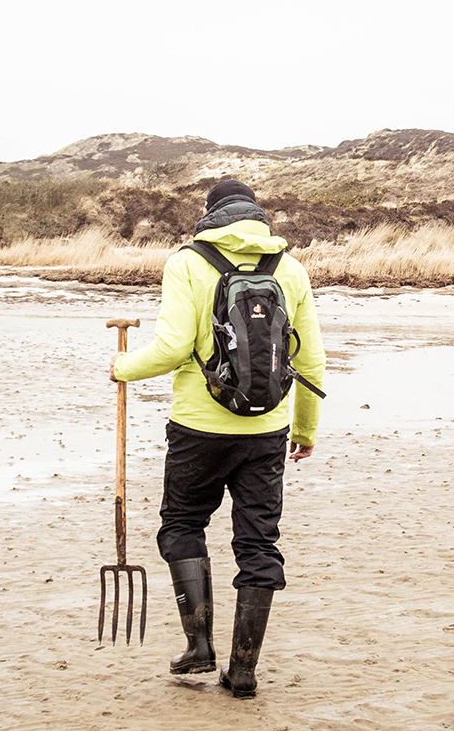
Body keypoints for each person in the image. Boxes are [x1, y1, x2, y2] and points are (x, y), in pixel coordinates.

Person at [110, 178, 325, 698]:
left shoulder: (188, 262)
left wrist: (122, 367)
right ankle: (244, 669)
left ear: (209, 213)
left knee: (181, 524)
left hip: (198, 429)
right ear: (256, 215)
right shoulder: (289, 268)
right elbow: (311, 359)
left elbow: (170, 349)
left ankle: (199, 646)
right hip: (268, 431)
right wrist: (304, 428)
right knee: (258, 543)